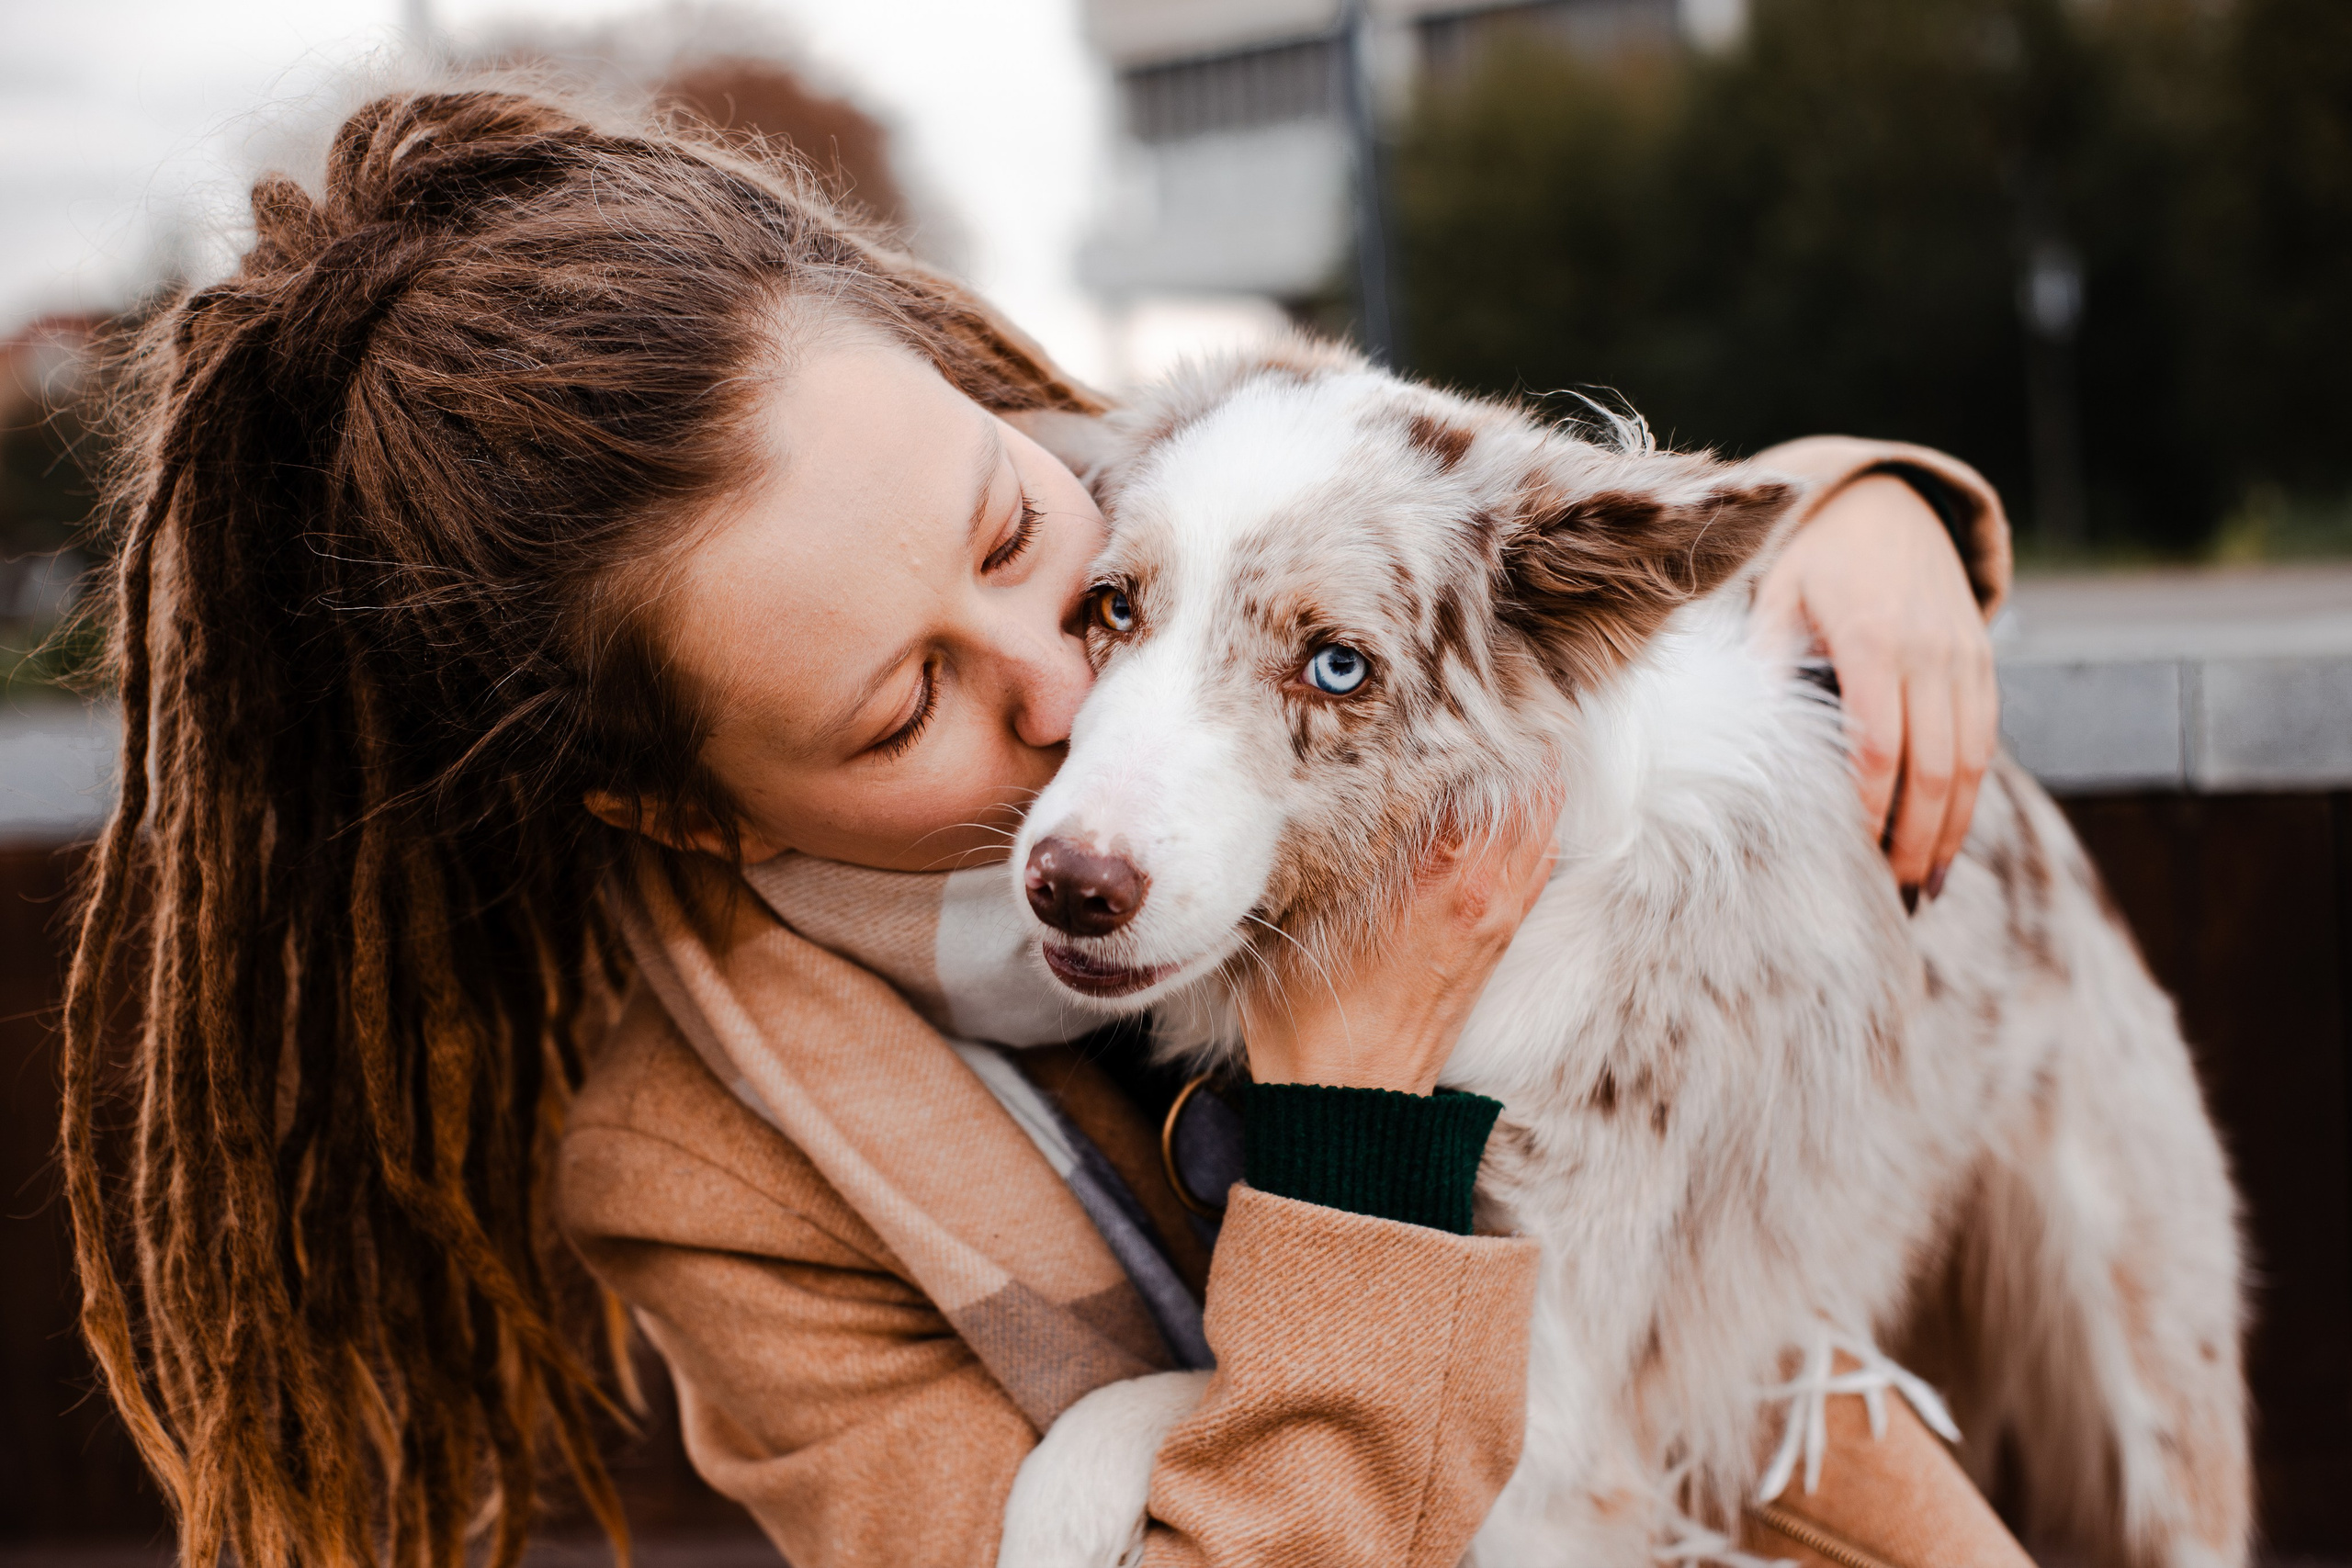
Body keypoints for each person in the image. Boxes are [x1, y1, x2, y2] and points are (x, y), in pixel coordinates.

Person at [60, 88, 2020, 1568]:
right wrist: (1354, 1136)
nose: (1073, 684)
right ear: (675, 796)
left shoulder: (1183, 466)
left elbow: (1517, 521)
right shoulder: (704, 1171)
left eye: (1015, 532)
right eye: (904, 701)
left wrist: (1848, 496)